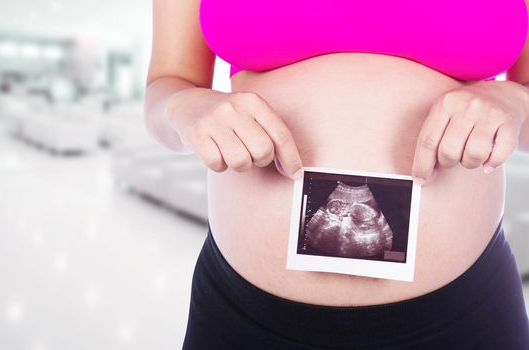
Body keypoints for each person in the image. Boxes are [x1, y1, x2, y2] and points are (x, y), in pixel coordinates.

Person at [145, 0, 529, 348]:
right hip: (241, 314)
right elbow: (167, 84)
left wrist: (514, 101)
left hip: (467, 312)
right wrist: (185, 106)